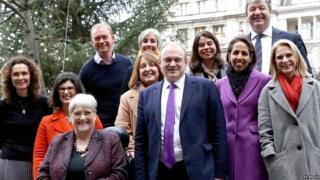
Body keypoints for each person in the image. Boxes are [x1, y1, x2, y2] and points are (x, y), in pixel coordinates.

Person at [135, 42, 227, 180]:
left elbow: (218, 132)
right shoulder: (147, 95)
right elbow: (141, 140)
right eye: (167, 60)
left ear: (186, 62)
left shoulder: (206, 88)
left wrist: (219, 174)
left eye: (177, 59)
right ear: (159, 63)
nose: (172, 64)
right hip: (158, 171)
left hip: (197, 170)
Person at [258, 39, 320, 179]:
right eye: (279, 57)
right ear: (274, 62)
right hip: (283, 166)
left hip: (314, 161)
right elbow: (265, 131)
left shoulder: (315, 86)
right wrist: (272, 159)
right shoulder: (267, 92)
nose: (285, 60)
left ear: (297, 57)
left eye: (288, 55)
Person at [37, 94, 127, 180]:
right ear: (70, 117)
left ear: (95, 116)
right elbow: (43, 174)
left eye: (87, 113)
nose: (82, 117)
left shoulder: (111, 140)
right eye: (77, 113)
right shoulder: (57, 141)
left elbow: (120, 174)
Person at [216, 37, 269, 180]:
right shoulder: (219, 84)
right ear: (228, 56)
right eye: (235, 53)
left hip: (254, 148)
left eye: (244, 53)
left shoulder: (265, 81)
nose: (239, 57)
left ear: (251, 57)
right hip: (226, 149)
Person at [32, 72, 104, 179]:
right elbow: (39, 155)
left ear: (77, 90)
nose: (66, 92)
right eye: (62, 89)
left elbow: (103, 148)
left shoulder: (92, 118)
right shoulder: (46, 122)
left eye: (70, 88)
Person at [0, 56, 52, 180]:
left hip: (38, 162)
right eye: (16, 74)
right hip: (10, 161)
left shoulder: (45, 104)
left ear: (31, 76)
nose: (20, 78)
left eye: (24, 73)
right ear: (10, 78)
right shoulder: (3, 106)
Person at [80, 22, 132, 127]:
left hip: (126, 125)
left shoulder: (127, 64)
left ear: (113, 38)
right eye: (97, 38)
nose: (101, 41)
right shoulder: (86, 71)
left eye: (104, 37)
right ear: (92, 42)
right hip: (99, 128)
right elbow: (81, 102)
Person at [115, 52, 163, 157]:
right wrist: (132, 149)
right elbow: (122, 127)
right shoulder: (127, 98)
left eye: (152, 64)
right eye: (143, 66)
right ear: (137, 72)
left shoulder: (170, 92)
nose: (147, 69)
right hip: (141, 154)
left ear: (159, 68)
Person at [245, 0, 312, 74]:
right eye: (252, 9)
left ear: (270, 12)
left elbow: (306, 73)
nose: (257, 12)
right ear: (246, 15)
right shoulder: (240, 44)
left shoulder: (292, 39)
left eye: (262, 8)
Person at [120, 28, 161, 93]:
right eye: (145, 41)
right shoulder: (131, 70)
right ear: (140, 45)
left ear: (157, 45)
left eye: (152, 41)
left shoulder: (164, 67)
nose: (148, 44)